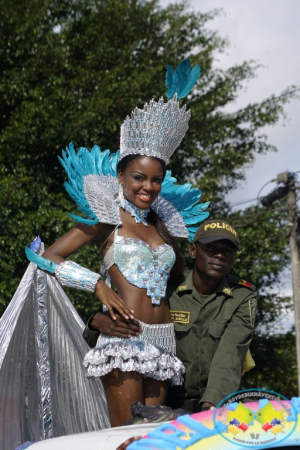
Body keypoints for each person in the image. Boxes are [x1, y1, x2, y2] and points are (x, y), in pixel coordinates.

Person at [25, 58, 210, 427]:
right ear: (122, 175)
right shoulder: (105, 219)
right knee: (127, 437)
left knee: (154, 439)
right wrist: (97, 287)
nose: (148, 187)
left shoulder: (163, 226)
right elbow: (44, 256)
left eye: (156, 180)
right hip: (124, 338)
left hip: (163, 339)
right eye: (139, 177)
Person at [83, 219, 257, 413]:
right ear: (193, 251)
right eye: (211, 248)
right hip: (166, 401)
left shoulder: (242, 296)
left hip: (215, 404)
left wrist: (210, 407)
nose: (219, 255)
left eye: (227, 251)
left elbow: (230, 355)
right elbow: (132, 327)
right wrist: (96, 322)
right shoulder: (166, 287)